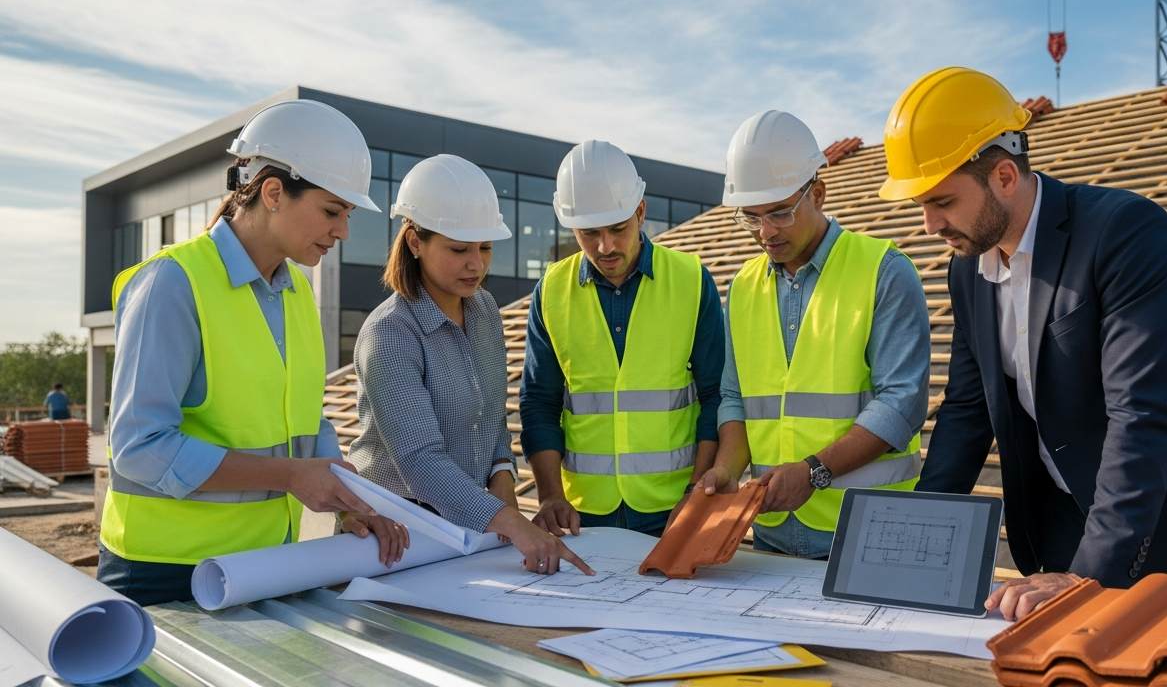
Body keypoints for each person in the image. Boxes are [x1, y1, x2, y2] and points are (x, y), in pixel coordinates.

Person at [880, 67, 1167, 619]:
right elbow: (968, 408)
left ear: (1004, 176)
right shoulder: (968, 269)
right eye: (921, 206)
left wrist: (1089, 573)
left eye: (943, 202)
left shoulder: (1126, 233)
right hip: (1068, 527)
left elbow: (1141, 414)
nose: (930, 225)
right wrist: (912, 539)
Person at [100, 99, 406, 606]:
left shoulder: (297, 294)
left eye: (347, 215)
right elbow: (139, 446)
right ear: (273, 193)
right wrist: (290, 476)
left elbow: (307, 423)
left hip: (263, 562)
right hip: (164, 572)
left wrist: (348, 502)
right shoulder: (172, 284)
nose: (343, 232)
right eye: (332, 211)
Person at [694, 111, 931, 559]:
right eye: (751, 218)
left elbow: (901, 405)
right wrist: (726, 469)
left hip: (872, 536)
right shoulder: (743, 288)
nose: (766, 232)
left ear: (817, 193)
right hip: (771, 534)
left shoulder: (882, 271)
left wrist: (813, 473)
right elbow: (735, 398)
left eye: (780, 213)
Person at [350, 155, 592, 576]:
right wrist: (511, 522)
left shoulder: (484, 310)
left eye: (485, 247)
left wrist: (502, 475)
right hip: (394, 538)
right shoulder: (389, 334)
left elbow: (491, 417)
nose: (476, 264)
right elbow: (422, 463)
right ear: (414, 243)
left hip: (468, 527)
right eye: (459, 249)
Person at [520, 141, 725, 538]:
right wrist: (549, 496)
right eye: (588, 233)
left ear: (641, 212)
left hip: (674, 508)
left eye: (618, 228)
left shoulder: (691, 281)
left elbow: (716, 395)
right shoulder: (551, 290)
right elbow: (539, 403)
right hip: (584, 513)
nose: (605, 246)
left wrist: (699, 490)